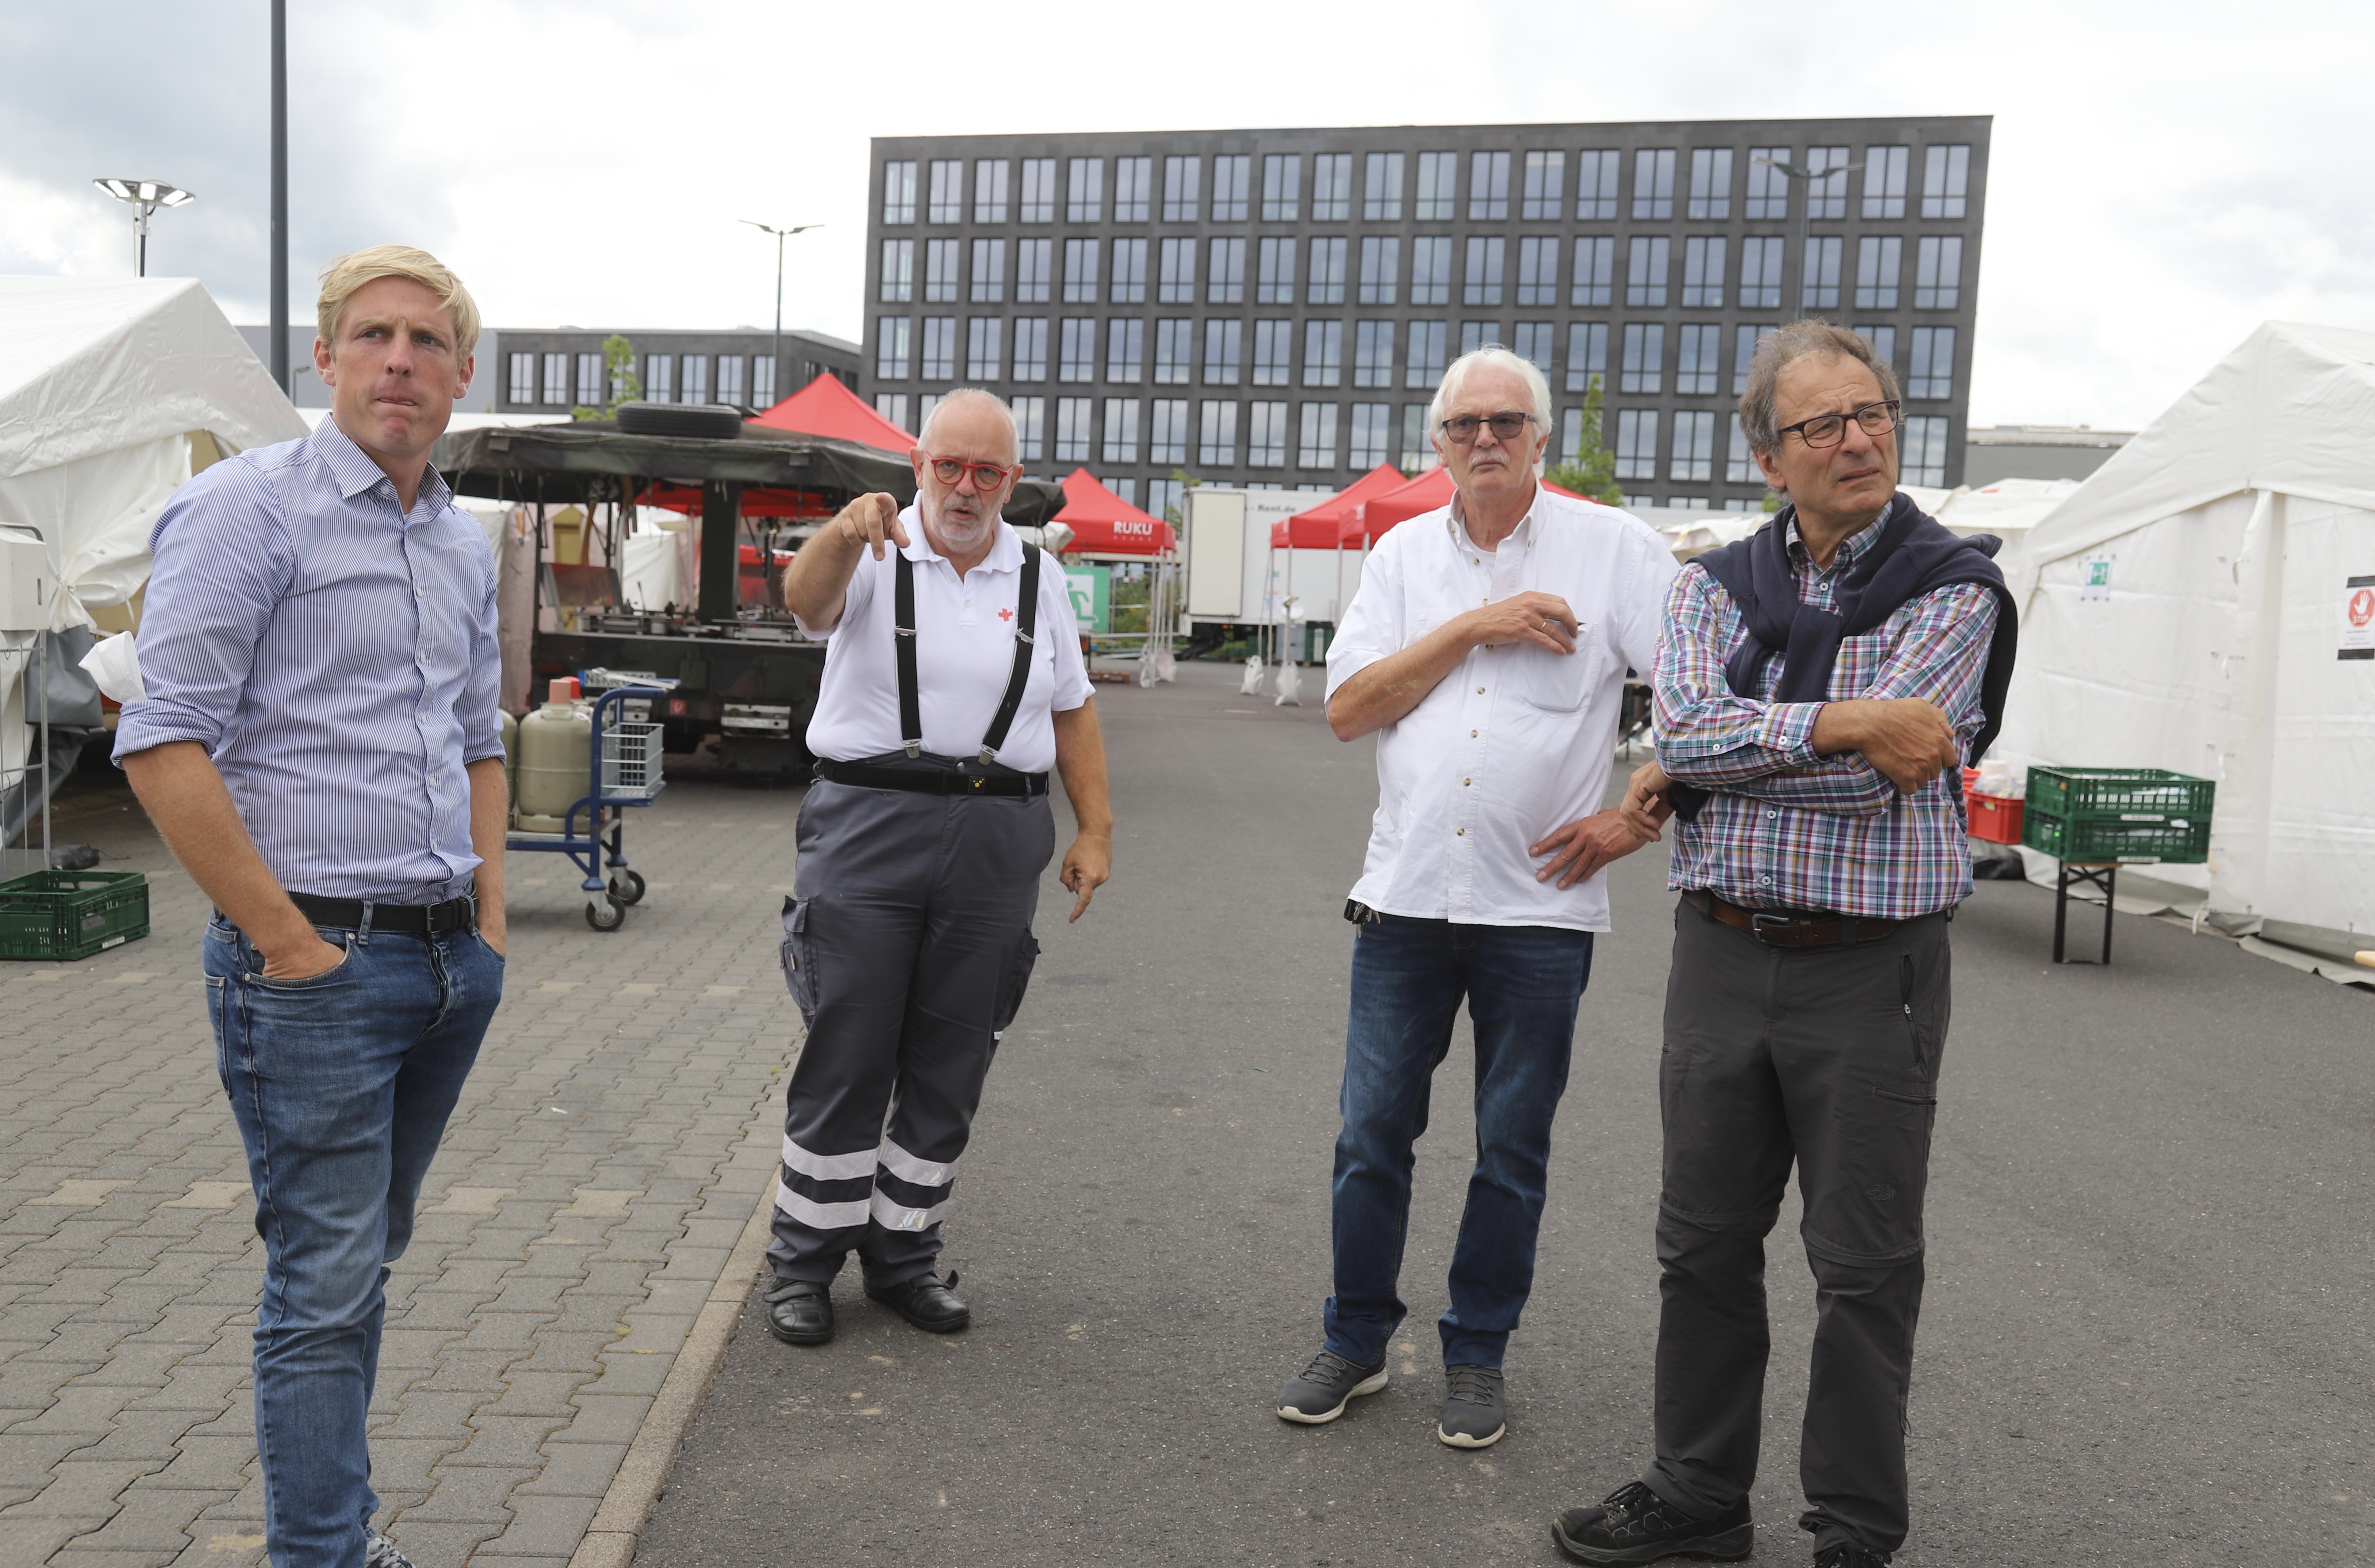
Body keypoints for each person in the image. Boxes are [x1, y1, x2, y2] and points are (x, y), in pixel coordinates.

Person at [1553, 322, 2016, 1568]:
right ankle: (1697, 1494)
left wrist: (1716, 757)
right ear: (1767, 456)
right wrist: (1838, 721)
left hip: (1871, 970)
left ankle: (1852, 1531)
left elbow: (1871, 775)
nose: (1856, 439)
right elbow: (1685, 733)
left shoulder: (1954, 588)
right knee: (1699, 1239)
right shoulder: (1709, 585)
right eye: (1821, 423)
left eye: (1870, 414)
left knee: (1863, 1264)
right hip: (1717, 954)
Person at [115, 246, 504, 1568]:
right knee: (324, 1284)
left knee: (355, 1267)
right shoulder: (250, 510)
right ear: (324, 360)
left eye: (429, 340)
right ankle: (325, 1555)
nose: (402, 359)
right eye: (374, 335)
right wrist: (290, 945)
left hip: (448, 964)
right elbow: (163, 741)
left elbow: (482, 737)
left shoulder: (459, 537)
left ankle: (338, 1537)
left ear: (460, 375)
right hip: (317, 972)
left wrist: (493, 923)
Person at [1274, 347, 1678, 1449]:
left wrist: (1634, 818)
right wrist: (1471, 625)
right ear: (1437, 441)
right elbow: (1350, 708)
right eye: (1463, 425)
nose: (1484, 439)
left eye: (1506, 421)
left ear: (1541, 437)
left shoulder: (1614, 552)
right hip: (1405, 897)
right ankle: (1354, 1339)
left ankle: (1475, 1354)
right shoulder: (1404, 556)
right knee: (1370, 1135)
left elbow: (1697, 702)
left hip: (1537, 909)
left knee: (1511, 1146)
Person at [763, 388, 1111, 1345]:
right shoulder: (874, 548)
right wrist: (840, 532)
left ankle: (902, 1256)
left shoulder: (1038, 576)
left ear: (1012, 480)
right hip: (871, 822)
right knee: (851, 1043)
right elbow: (804, 602)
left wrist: (1096, 831)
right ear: (917, 466)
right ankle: (801, 1262)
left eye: (987, 472)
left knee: (956, 1052)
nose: (965, 487)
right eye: (948, 467)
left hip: (998, 835)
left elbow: (1072, 706)